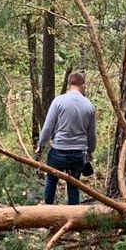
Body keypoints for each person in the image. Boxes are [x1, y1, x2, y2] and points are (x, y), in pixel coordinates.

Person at [37, 71, 97, 205]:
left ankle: (47, 215)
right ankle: (73, 216)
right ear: (83, 85)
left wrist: (40, 145)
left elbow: (47, 128)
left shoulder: (58, 101)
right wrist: (90, 151)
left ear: (69, 84)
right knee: (73, 186)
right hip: (78, 154)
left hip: (58, 151)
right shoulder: (89, 105)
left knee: (51, 182)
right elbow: (92, 135)